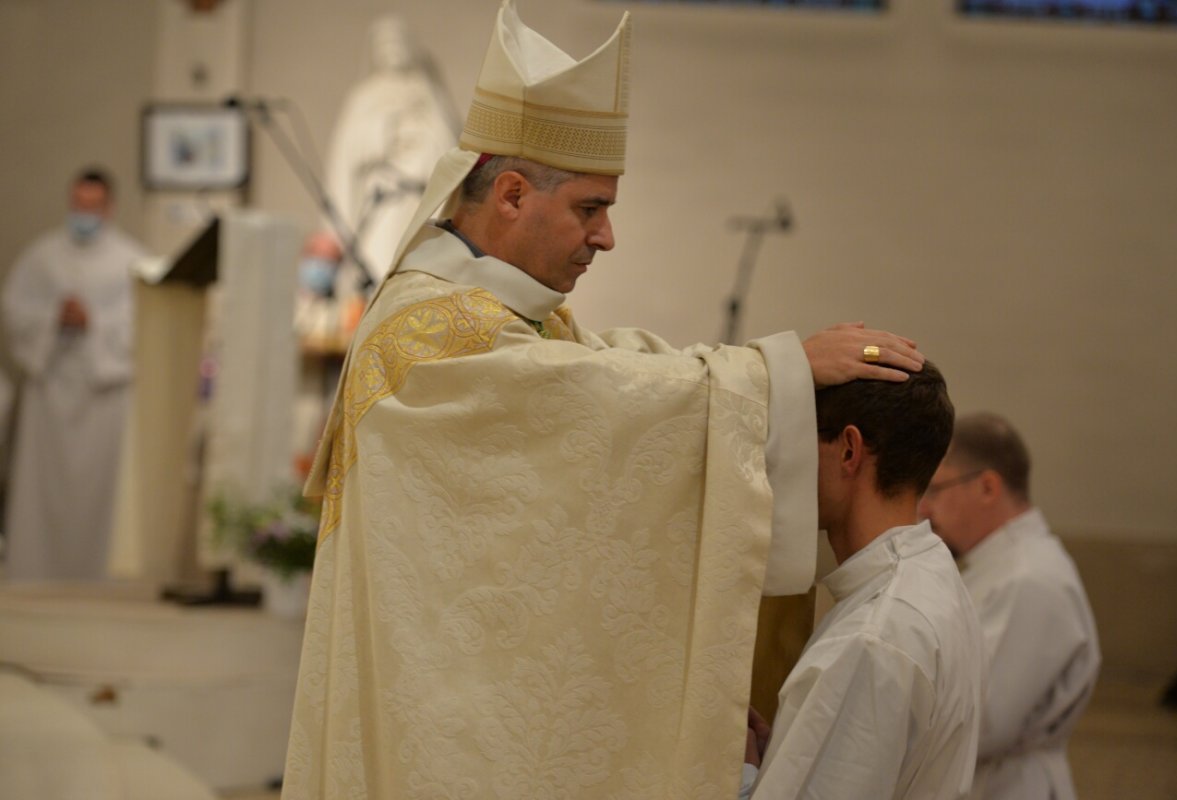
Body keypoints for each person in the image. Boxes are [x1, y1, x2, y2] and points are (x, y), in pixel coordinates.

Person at [284, 3, 925, 797]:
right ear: (513, 194)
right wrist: (775, 373)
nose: (607, 236)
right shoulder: (432, 334)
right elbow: (593, 400)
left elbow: (606, 371)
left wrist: (769, 370)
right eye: (592, 207)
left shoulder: (509, 313)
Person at [744, 362, 984, 799]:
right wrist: (782, 753)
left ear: (849, 451)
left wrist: (743, 776)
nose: (781, 467)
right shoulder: (930, 574)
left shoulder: (873, 637)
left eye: (799, 442)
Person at [917, 412, 1101, 800]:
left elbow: (984, 725)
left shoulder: (1028, 580)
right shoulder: (1001, 567)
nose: (924, 510)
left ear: (986, 487)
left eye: (935, 489)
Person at [2, 167, 145, 581]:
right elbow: (14, 311)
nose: (83, 213)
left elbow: (142, 326)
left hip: (104, 396)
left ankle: (98, 574)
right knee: (41, 495)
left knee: (98, 499)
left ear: (109, 207)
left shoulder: (131, 260)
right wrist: (53, 317)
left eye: (92, 206)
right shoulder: (41, 256)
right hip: (50, 391)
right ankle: (35, 571)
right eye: (77, 204)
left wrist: (94, 321)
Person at [325, 13, 458, 286]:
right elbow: (349, 151)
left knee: (420, 269)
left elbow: (448, 146)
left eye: (398, 43)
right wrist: (387, 126)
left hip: (418, 199)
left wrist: (420, 138)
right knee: (380, 264)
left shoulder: (428, 92)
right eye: (385, 45)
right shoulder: (365, 95)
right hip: (382, 197)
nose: (393, 50)